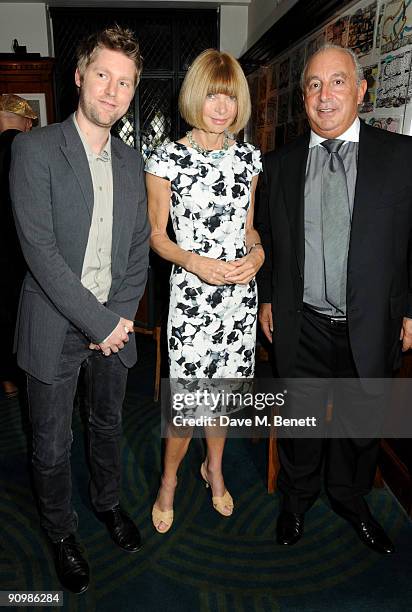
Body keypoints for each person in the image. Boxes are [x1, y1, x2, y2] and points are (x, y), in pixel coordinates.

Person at [10, 26, 150, 593]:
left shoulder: (132, 161)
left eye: (125, 83)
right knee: (50, 443)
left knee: (108, 424)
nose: (112, 92)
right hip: (53, 323)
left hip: (113, 326)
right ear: (79, 76)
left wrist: (116, 320)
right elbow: (39, 253)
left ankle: (108, 503)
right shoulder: (34, 149)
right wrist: (99, 323)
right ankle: (60, 530)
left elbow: (139, 248)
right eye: (102, 76)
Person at [257, 44, 412, 554]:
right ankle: (297, 500)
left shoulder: (401, 158)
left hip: (373, 322)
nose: (326, 96)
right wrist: (266, 299)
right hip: (302, 323)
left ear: (361, 90)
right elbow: (267, 240)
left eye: (338, 82)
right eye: (315, 85)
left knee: (361, 421)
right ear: (303, 97)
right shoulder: (278, 165)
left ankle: (351, 499)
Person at [146, 49, 264, 533]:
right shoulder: (166, 158)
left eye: (230, 97)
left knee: (224, 397)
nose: (221, 106)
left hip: (239, 299)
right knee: (189, 402)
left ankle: (213, 468)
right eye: (213, 94)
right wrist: (193, 261)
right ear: (196, 95)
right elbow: (157, 236)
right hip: (192, 299)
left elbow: (249, 230)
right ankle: (169, 480)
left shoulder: (250, 158)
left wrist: (258, 257)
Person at [0, 94, 37, 399]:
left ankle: (7, 380)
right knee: (24, 314)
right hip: (22, 247)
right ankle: (25, 377)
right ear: (26, 123)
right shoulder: (28, 149)